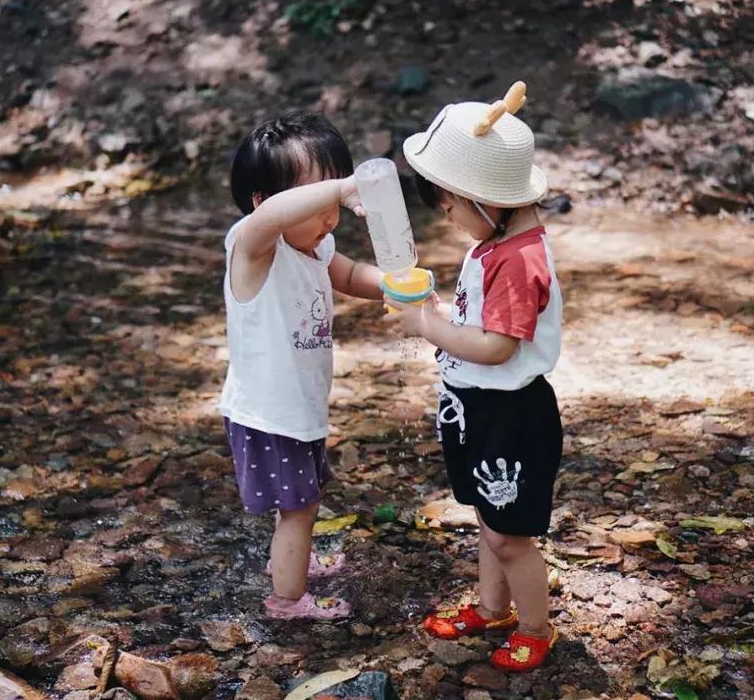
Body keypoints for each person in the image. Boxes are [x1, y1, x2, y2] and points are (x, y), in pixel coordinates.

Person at [385, 82, 564, 670]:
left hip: (510, 415)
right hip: (479, 409)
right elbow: (481, 321)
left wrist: (426, 325)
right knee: (490, 522)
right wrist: (437, 311)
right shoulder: (498, 242)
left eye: (450, 205)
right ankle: (493, 609)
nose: (447, 215)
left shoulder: (518, 260)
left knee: (510, 536)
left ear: (486, 200)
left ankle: (535, 627)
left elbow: (496, 347)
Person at [219, 111, 384, 620]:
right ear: (263, 202)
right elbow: (273, 216)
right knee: (300, 508)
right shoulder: (253, 247)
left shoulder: (314, 247)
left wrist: (395, 286)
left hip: (299, 406)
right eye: (317, 201)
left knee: (303, 498)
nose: (331, 215)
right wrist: (343, 189)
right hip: (270, 414)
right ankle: (287, 600)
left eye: (335, 202)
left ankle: (293, 560)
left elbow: (350, 276)